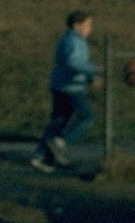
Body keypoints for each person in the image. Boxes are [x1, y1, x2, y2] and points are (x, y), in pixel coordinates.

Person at [30, 10, 100, 173]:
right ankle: (61, 142)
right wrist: (94, 70)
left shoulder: (68, 39)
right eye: (87, 25)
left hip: (60, 84)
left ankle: (40, 157)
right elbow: (73, 63)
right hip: (71, 87)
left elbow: (74, 63)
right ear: (76, 26)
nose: (90, 28)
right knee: (87, 116)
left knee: (59, 121)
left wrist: (90, 77)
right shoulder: (75, 41)